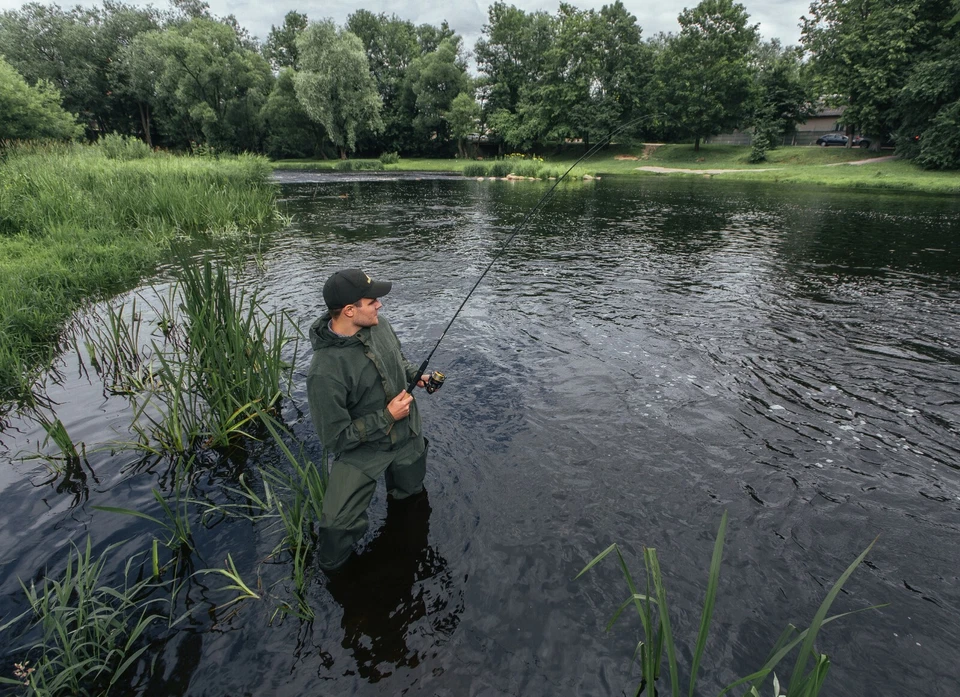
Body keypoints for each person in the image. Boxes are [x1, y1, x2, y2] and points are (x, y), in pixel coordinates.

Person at [306, 268, 435, 571]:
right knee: (336, 528)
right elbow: (335, 438)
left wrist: (417, 376)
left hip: (407, 435)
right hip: (364, 450)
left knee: (411, 496)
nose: (380, 305)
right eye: (372, 300)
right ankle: (345, 584)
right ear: (350, 310)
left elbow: (398, 361)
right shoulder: (323, 372)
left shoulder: (380, 325)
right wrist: (386, 417)